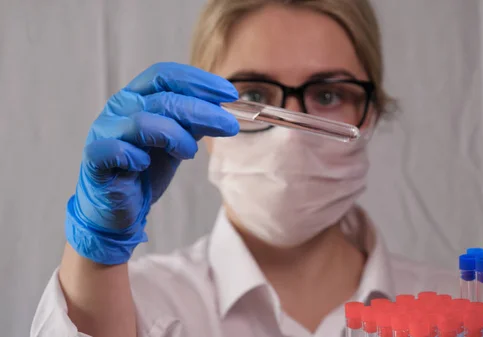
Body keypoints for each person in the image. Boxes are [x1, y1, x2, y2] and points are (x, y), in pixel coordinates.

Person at [31, 1, 455, 336]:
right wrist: (96, 255)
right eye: (253, 96)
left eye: (327, 96)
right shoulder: (135, 304)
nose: (289, 133)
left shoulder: (462, 309)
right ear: (195, 118)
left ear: (373, 114)